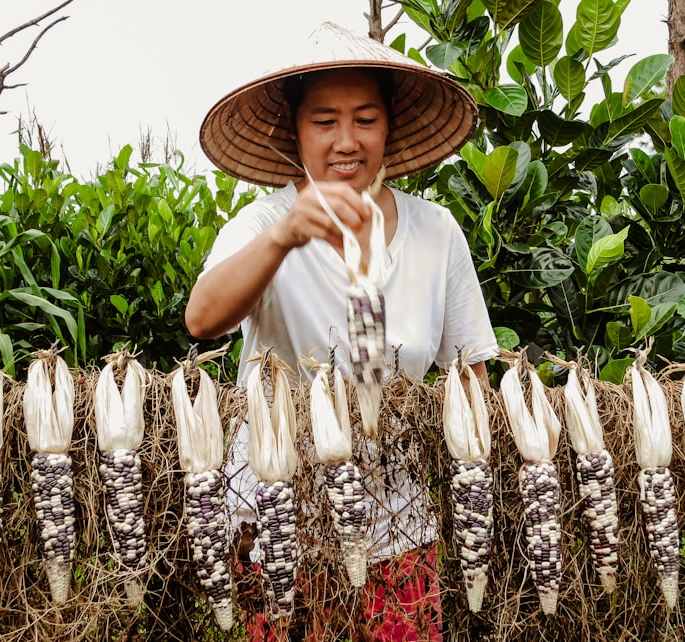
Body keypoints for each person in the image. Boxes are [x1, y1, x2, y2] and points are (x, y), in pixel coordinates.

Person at [186, 22, 498, 641]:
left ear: (390, 126)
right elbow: (202, 319)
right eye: (324, 121)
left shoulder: (435, 232)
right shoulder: (264, 223)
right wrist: (286, 235)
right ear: (294, 131)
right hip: (278, 517)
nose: (346, 141)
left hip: (396, 519)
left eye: (366, 119)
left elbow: (473, 379)